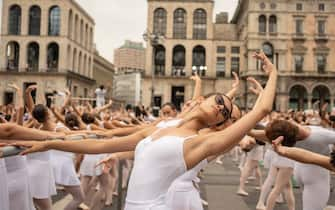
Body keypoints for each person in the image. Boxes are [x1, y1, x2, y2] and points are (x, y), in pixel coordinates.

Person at [11, 51, 277, 210]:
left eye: (225, 112)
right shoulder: (165, 126)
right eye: (219, 101)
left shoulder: (200, 143)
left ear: (220, 124)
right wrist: (52, 143)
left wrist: (272, 73)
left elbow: (260, 111)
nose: (221, 108)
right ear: (206, 98)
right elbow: (102, 143)